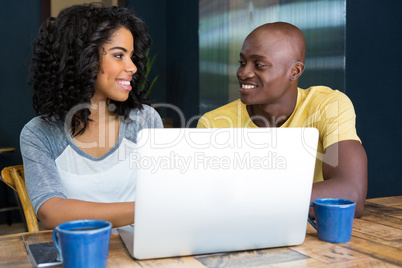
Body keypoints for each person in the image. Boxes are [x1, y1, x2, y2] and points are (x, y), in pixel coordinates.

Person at [197, 22, 367, 217]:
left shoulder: (328, 105)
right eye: (242, 62)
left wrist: (252, 200)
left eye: (259, 65)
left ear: (295, 71)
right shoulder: (213, 123)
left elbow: (351, 194)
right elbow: (208, 203)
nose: (243, 73)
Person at [20, 4, 163, 229]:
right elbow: (51, 212)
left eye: (132, 56)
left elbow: (163, 194)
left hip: (141, 253)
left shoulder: (146, 121)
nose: (132, 67)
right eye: (119, 55)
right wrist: (143, 209)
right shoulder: (38, 133)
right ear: (83, 58)